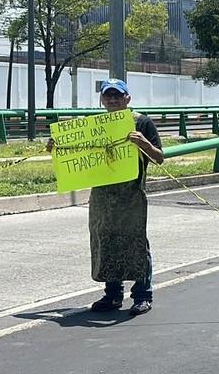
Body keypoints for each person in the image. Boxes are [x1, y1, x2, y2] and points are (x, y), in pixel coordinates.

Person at [51, 79, 163, 315]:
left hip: (131, 193)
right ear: (102, 100)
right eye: (108, 96)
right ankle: (113, 294)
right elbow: (75, 153)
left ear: (127, 98)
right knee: (106, 241)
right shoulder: (94, 126)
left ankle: (143, 294)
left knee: (136, 242)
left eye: (117, 96)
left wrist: (144, 144)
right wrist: (57, 146)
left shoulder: (141, 122)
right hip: (102, 195)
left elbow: (159, 158)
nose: (112, 100)